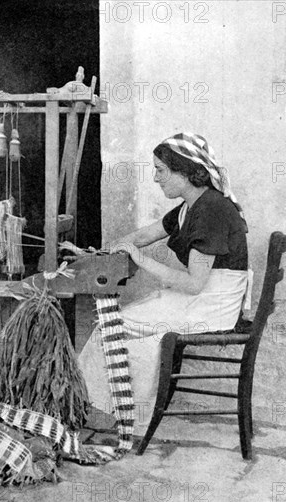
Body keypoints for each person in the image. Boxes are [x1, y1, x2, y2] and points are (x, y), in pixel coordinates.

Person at [78, 132, 250, 435]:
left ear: (184, 172)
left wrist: (140, 260)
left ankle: (108, 412)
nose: (156, 178)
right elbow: (145, 235)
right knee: (125, 323)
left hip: (210, 305)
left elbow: (195, 284)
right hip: (207, 298)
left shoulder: (210, 210)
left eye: (161, 170)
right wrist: (105, 251)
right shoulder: (191, 205)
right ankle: (110, 409)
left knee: (111, 323)